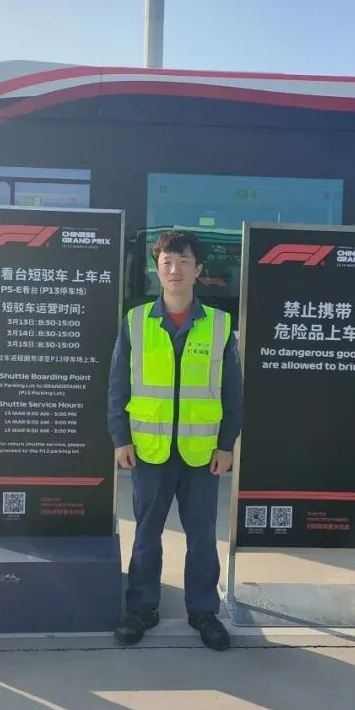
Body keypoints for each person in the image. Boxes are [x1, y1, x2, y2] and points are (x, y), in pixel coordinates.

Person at [108, 229, 243, 651]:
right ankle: (142, 608)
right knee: (146, 534)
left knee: (202, 537)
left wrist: (226, 444)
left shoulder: (220, 325)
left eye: (184, 261)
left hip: (202, 454)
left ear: (198, 269)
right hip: (149, 450)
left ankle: (203, 611)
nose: (175, 269)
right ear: (156, 269)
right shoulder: (135, 322)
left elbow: (233, 392)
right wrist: (120, 437)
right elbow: (118, 384)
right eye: (167, 261)